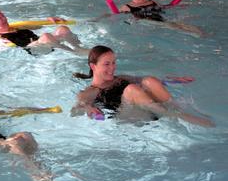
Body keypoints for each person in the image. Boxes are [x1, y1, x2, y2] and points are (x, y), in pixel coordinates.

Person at [71, 45, 214, 127]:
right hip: (129, 118)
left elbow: (147, 81)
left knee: (149, 80)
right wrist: (88, 108)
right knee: (131, 89)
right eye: (106, 64)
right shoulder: (91, 91)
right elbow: (77, 108)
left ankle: (176, 109)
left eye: (114, 62)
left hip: (147, 108)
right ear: (93, 66)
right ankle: (178, 116)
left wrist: (174, 80)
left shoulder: (120, 78)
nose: (112, 67)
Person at [0, 7, 89, 55]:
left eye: (3, 15)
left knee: (62, 29)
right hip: (33, 49)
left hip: (43, 42)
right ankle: (74, 53)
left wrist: (50, 20)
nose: (4, 18)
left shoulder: (17, 27)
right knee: (46, 36)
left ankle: (79, 48)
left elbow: (38, 26)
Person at [119, 0, 204, 36]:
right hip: (144, 22)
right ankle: (195, 35)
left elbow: (164, 7)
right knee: (171, 25)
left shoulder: (152, 1)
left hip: (160, 20)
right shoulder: (127, 7)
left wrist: (178, 6)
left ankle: (200, 33)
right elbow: (117, 16)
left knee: (180, 24)